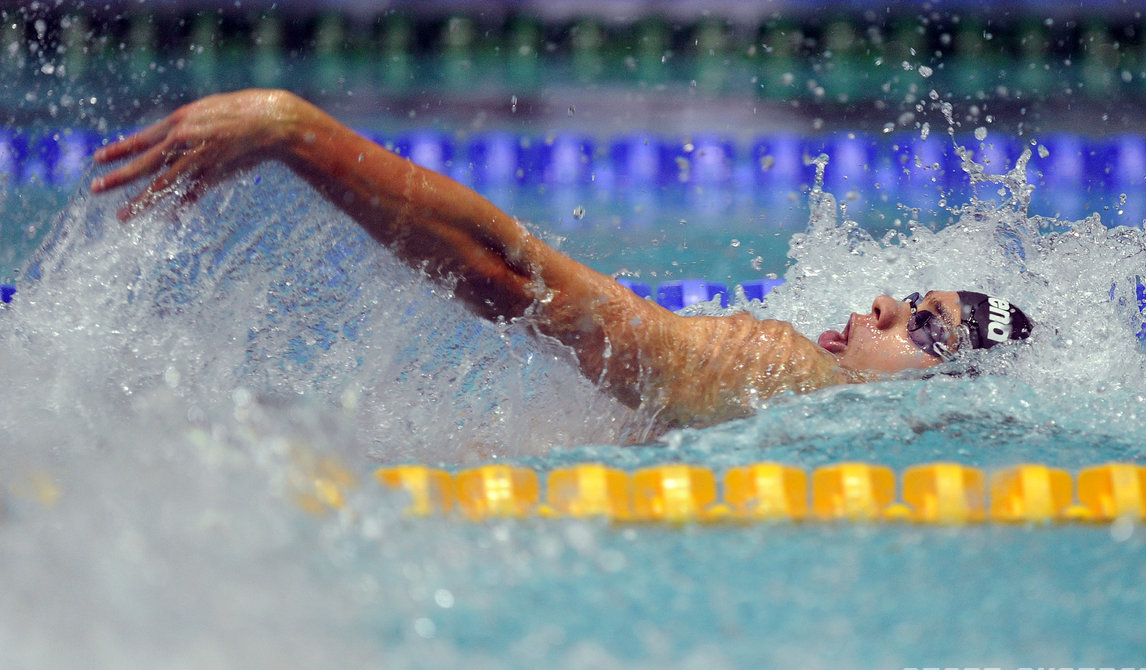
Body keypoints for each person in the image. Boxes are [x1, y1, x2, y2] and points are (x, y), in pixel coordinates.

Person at [89, 89, 1033, 428]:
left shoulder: (770, 377)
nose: (879, 305)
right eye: (910, 296)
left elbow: (513, 277)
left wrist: (295, 132)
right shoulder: (803, 388)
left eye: (922, 326)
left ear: (941, 392)